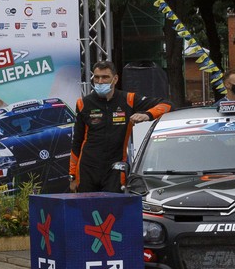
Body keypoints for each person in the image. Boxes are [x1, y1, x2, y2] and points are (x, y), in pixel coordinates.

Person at [70, 60, 170, 193]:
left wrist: (148, 115)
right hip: (88, 168)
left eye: (105, 77)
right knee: (86, 210)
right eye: (97, 77)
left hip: (115, 169)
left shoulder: (128, 99)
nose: (100, 81)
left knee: (112, 210)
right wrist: (72, 176)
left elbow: (167, 104)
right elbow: (77, 142)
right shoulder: (83, 103)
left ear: (115, 79)